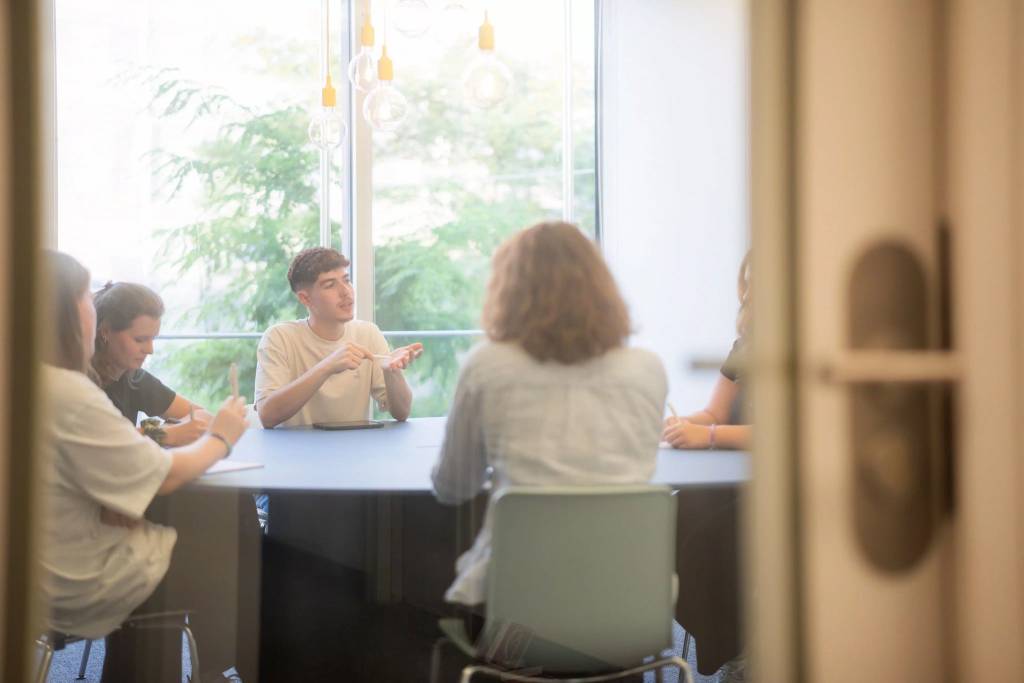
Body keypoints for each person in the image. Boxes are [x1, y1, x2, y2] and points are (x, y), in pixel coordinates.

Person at [431, 221, 668, 610]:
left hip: (519, 607)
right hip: (628, 604)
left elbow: (454, 487)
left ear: (509, 289)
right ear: (601, 287)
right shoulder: (647, 367)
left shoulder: (488, 364)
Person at [40, 250, 251, 682]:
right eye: (85, 297)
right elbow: (166, 472)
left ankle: (204, 667)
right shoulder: (70, 392)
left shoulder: (30, 381)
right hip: (73, 572)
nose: (92, 308)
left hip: (39, 557)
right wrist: (222, 438)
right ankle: (219, 666)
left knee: (214, 523)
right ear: (68, 313)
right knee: (240, 541)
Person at [254, 246, 423, 428]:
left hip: (355, 452)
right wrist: (327, 366)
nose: (346, 292)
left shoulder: (368, 333)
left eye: (346, 280)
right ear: (305, 298)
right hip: (296, 453)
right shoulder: (279, 338)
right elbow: (267, 415)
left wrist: (392, 371)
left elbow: (402, 412)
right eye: (330, 285)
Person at [91, 282, 210, 444]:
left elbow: (202, 416)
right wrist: (164, 433)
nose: (149, 349)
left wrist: (159, 429)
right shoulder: (84, 383)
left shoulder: (134, 378)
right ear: (105, 332)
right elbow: (106, 440)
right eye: (140, 340)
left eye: (152, 339)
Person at [663, 251, 752, 451]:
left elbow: (780, 433)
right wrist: (682, 424)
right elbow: (714, 415)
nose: (747, 295)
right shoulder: (743, 347)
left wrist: (710, 435)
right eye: (747, 284)